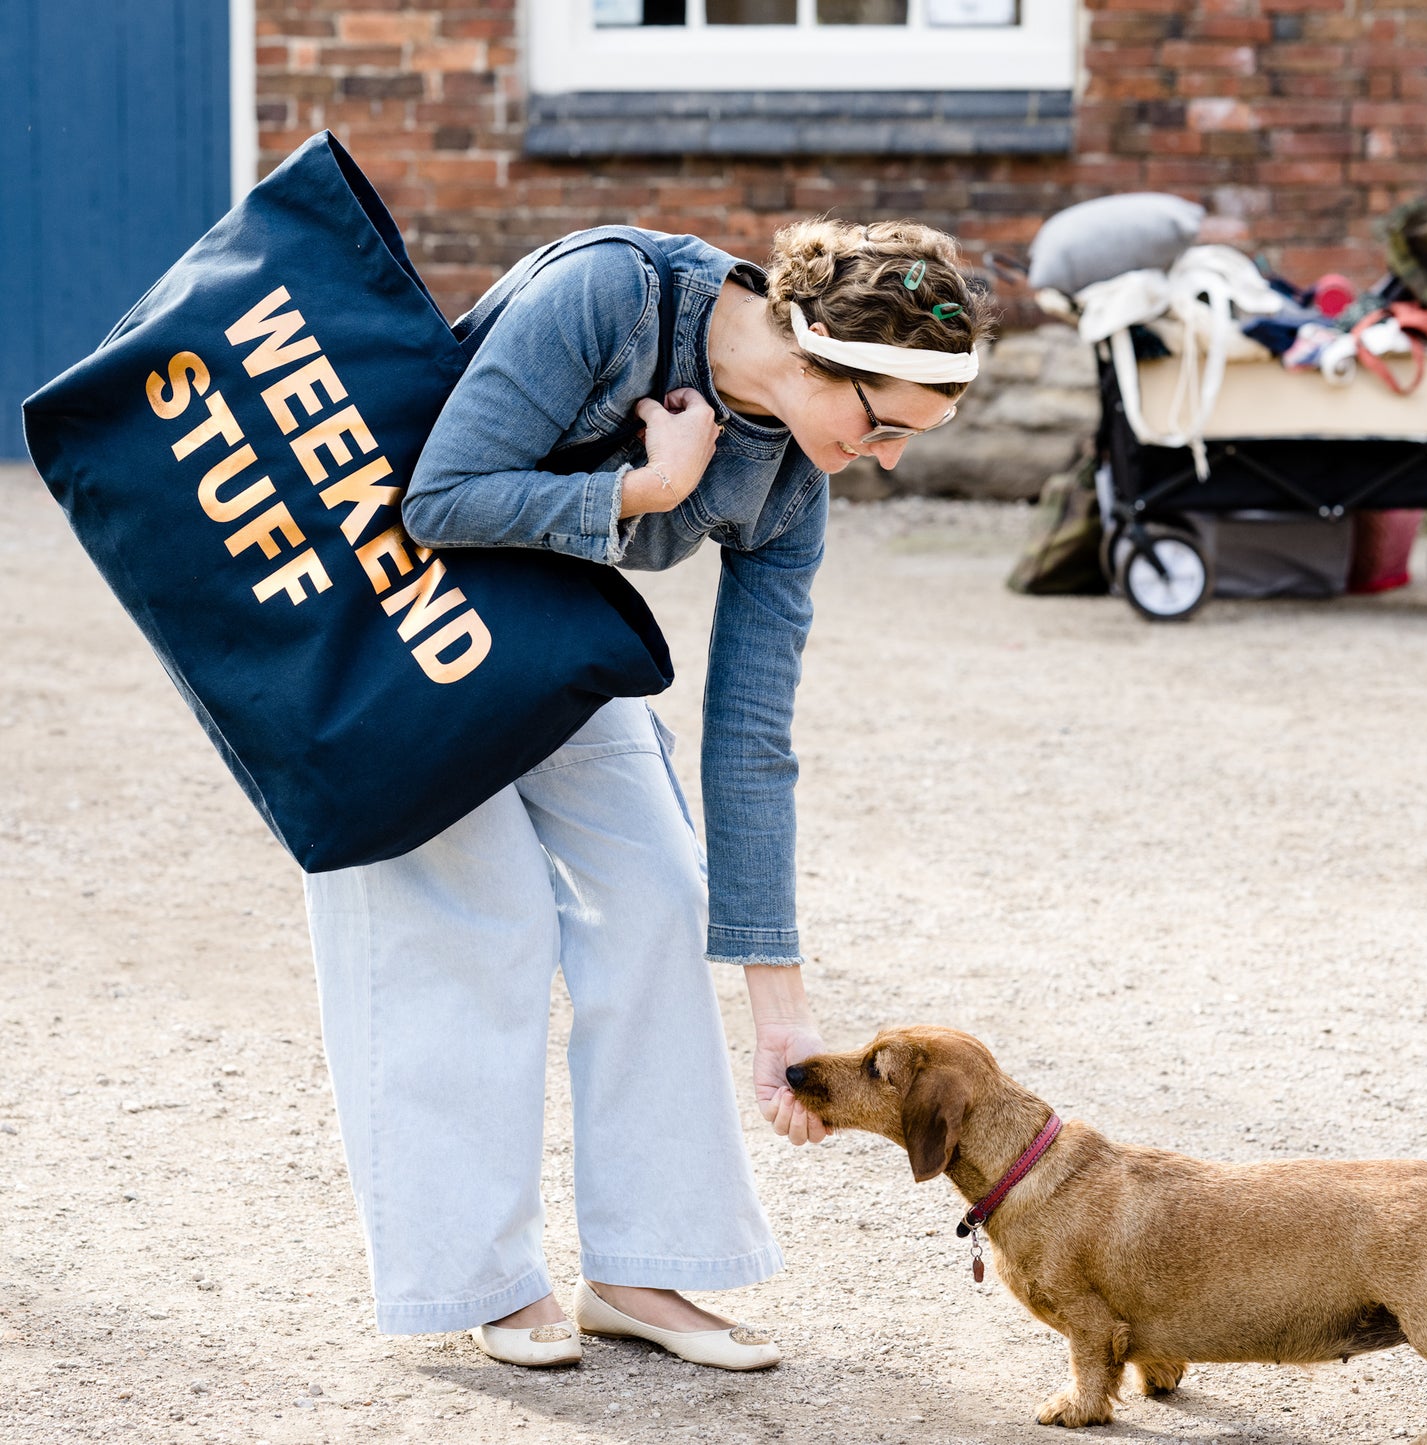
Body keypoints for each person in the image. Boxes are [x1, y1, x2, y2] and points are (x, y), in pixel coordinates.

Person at [303, 218, 989, 1369]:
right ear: (815, 351)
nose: (887, 459)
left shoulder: (788, 479)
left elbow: (751, 737)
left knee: (660, 890)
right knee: (487, 925)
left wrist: (784, 1016)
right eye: (881, 426)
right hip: (396, 629)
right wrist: (650, 483)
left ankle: (639, 1265)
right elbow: (440, 496)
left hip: (549, 638)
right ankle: (478, 1275)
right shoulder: (606, 296)